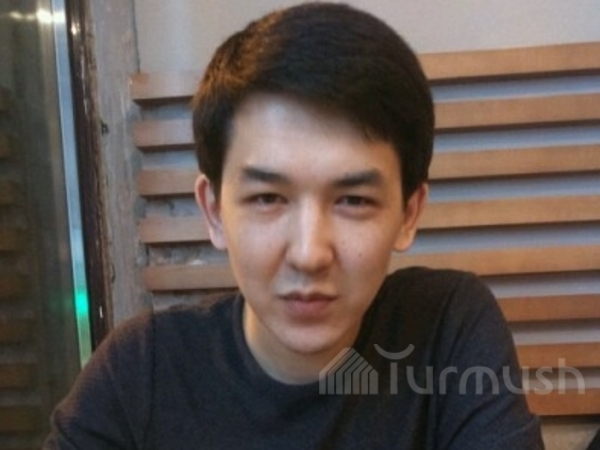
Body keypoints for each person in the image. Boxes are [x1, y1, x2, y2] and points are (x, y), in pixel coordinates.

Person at [44, 3, 544, 449]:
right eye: (267, 198)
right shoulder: (141, 374)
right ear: (214, 211)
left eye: (353, 200)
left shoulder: (445, 331)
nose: (309, 254)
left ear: (408, 214)